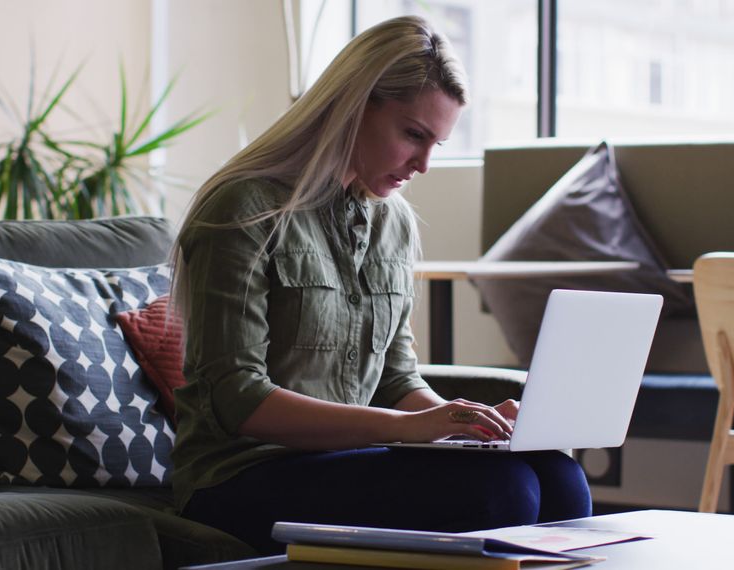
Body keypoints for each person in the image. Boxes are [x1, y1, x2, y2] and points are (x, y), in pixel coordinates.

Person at [169, 15, 591, 555]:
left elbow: (396, 379)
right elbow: (239, 399)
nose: (424, 165)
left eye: (436, 143)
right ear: (353, 104)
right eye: (414, 135)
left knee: (559, 479)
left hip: (344, 465)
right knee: (503, 492)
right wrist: (405, 429)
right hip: (239, 476)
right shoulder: (243, 209)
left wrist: (463, 428)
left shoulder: (394, 223)